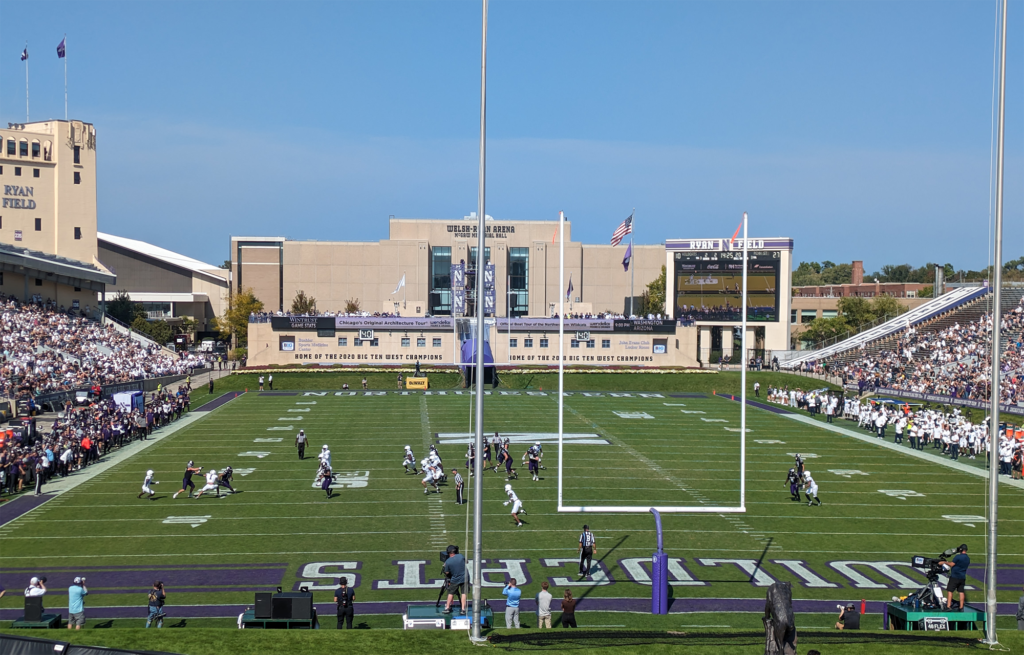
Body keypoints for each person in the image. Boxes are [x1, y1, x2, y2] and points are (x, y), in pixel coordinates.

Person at [942, 544, 970, 611]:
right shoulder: (968, 558)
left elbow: (952, 564)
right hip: (962, 577)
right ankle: (961, 607)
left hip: (955, 577)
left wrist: (944, 562)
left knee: (950, 591)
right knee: (961, 592)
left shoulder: (958, 557)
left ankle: (948, 606)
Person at [442, 545, 467, 615]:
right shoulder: (461, 556)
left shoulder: (448, 561)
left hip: (455, 579)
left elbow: (447, 572)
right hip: (465, 577)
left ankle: (447, 607)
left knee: (450, 592)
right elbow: (466, 562)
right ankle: (463, 609)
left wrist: (446, 566)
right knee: (463, 593)